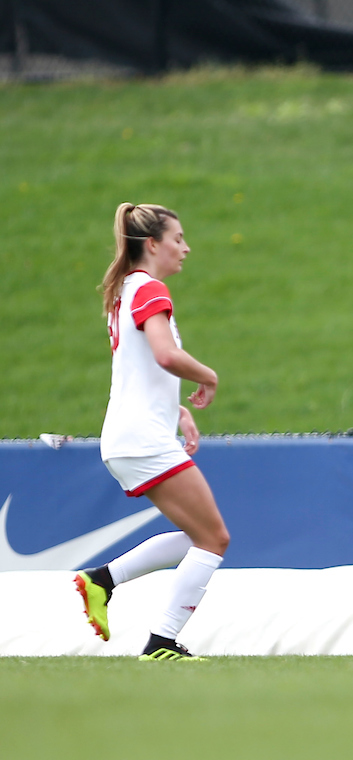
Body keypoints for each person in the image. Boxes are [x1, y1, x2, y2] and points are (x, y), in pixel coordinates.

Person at [74, 203, 229, 661]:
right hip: (141, 439)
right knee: (214, 539)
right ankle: (161, 642)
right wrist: (208, 375)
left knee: (200, 535)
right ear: (153, 244)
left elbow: (138, 369)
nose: (185, 248)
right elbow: (164, 354)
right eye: (178, 239)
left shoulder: (126, 290)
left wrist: (175, 409)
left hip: (131, 435)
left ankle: (100, 581)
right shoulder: (149, 289)